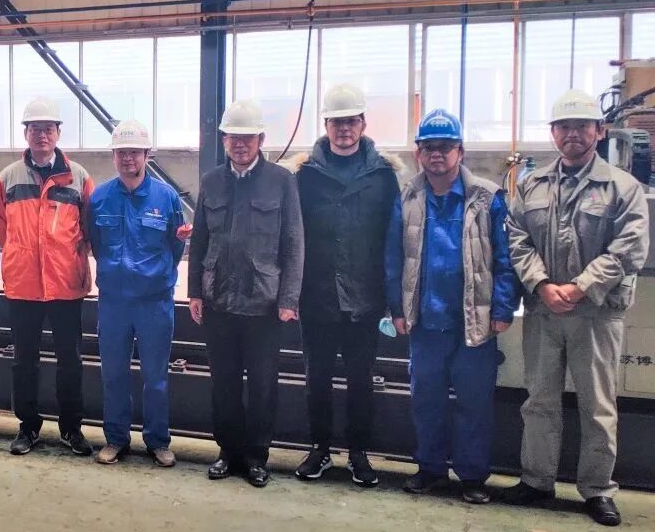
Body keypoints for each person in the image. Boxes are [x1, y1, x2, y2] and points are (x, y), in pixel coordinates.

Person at [503, 90, 649, 527]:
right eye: (564, 127)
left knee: (598, 405)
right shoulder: (532, 185)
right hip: (545, 310)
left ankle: (598, 489)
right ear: (553, 134)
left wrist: (580, 287)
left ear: (599, 131)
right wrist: (543, 284)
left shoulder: (623, 187)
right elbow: (516, 237)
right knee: (539, 401)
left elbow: (630, 247)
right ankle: (537, 481)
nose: (573, 134)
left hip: (596, 314)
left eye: (582, 126)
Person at [385, 109, 520, 504]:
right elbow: (393, 258)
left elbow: (506, 258)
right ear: (418, 154)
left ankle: (473, 476)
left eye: (445, 147)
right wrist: (396, 309)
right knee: (426, 400)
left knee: (474, 403)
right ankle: (430, 468)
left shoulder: (488, 198)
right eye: (429, 147)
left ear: (460, 151)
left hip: (474, 322)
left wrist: (503, 308)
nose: (437, 154)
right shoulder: (406, 198)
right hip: (426, 322)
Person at [285, 83, 401, 487]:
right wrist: (291, 292)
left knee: (360, 380)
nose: (344, 129)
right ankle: (319, 449)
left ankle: (358, 453)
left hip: (365, 298)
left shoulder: (383, 176)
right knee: (316, 379)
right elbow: (292, 236)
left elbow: (393, 238)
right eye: (336, 122)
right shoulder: (305, 175)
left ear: (363, 123)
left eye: (351, 121)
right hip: (316, 297)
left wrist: (392, 298)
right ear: (326, 126)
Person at [188, 100, 304, 488]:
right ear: (224, 140)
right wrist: (195, 291)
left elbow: (294, 242)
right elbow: (200, 239)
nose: (240, 144)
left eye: (247, 138)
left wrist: (288, 299)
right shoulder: (211, 181)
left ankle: (256, 457)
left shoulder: (281, 181)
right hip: (218, 301)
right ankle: (228, 453)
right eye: (233, 138)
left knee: (262, 386)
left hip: (264, 305)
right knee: (223, 384)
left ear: (261, 140)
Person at [0, 97, 94, 457]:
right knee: (24, 361)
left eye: (48, 129)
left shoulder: (79, 177)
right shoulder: (8, 177)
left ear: (58, 133)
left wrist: (67, 257)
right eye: (35, 129)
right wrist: (20, 255)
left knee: (71, 360)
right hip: (24, 285)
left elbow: (89, 226)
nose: (41, 135)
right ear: (26, 133)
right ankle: (28, 427)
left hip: (65, 284)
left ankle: (71, 428)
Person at [88, 120, 187, 468]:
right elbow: (96, 244)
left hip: (154, 302)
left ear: (147, 155)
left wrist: (155, 277)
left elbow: (176, 244)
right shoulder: (100, 197)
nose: (128, 158)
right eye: (121, 152)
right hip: (114, 303)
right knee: (113, 374)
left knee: (155, 378)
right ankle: (116, 438)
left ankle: (158, 441)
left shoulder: (166, 197)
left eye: (134, 152)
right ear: (113, 156)